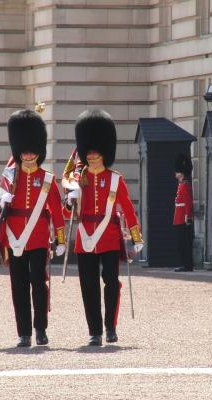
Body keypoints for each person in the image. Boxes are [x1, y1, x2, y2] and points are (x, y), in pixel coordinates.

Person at [64, 109, 144, 346]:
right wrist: (70, 200)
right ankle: (95, 331)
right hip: (85, 236)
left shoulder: (114, 179)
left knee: (111, 282)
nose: (91, 155)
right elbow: (66, 213)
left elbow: (127, 208)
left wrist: (136, 237)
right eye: (88, 151)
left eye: (96, 151)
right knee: (88, 286)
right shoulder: (77, 180)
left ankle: (110, 327)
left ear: (104, 152)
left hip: (109, 236)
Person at [0, 109, 66, 348]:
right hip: (15, 237)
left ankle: (41, 329)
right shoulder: (10, 177)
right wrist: (1, 201)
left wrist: (61, 240)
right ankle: (23, 332)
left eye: (31, 150)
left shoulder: (47, 179)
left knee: (38, 284)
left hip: (37, 238)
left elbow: (57, 212)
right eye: (23, 150)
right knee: (19, 287)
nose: (27, 154)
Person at [173, 154, 194, 272]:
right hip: (179, 217)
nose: (175, 173)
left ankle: (187, 265)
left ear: (181, 173)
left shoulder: (184, 185)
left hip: (182, 219)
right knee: (181, 244)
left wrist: (187, 218)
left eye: (177, 171)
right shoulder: (181, 185)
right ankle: (185, 264)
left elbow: (188, 203)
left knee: (184, 244)